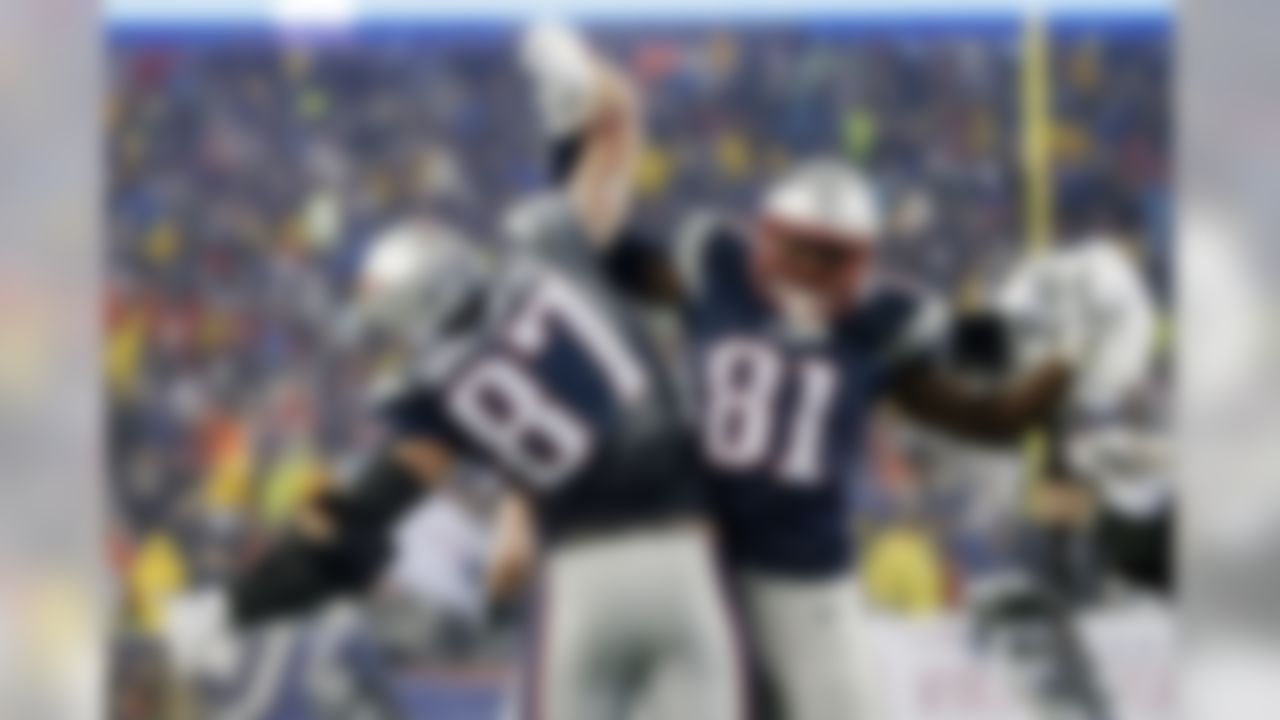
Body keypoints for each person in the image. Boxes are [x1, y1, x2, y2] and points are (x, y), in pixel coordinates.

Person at [162, 30, 744, 720]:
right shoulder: (547, 244)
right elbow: (617, 119)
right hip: (698, 552)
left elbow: (347, 525)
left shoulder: (438, 398)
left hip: (584, 574)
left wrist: (234, 607)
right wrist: (569, 65)